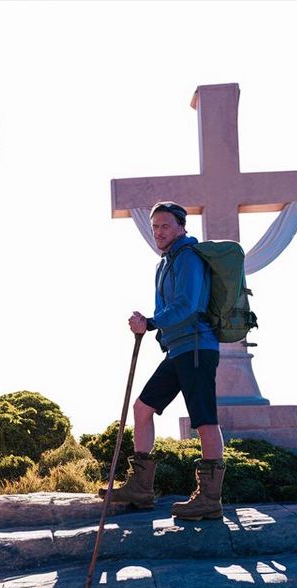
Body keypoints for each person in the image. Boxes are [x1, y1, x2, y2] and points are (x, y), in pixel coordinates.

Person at [103, 200, 226, 520]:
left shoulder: (187, 257)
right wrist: (153, 325)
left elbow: (186, 304)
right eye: (155, 226)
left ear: (181, 228)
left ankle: (210, 499)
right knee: (142, 408)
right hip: (177, 349)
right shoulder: (165, 263)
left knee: (204, 420)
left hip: (197, 347)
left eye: (165, 226)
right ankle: (141, 489)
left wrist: (152, 323)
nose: (159, 231)